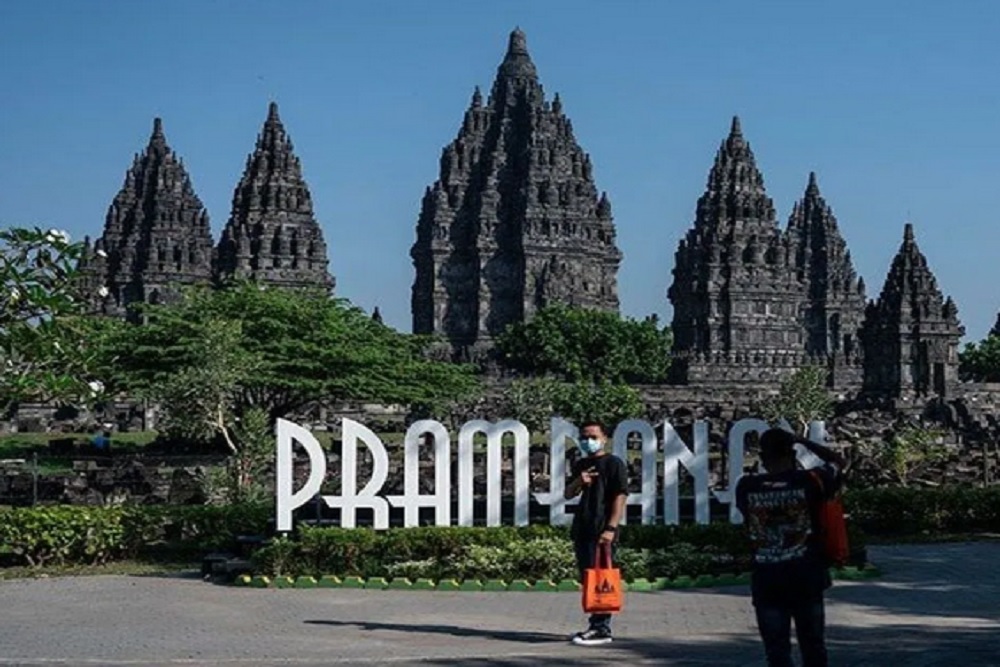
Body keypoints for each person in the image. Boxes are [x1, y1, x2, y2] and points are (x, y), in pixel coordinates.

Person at [735, 428, 847, 667]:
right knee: (813, 645)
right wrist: (804, 440)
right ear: (793, 453)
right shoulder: (811, 481)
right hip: (806, 574)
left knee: (776, 650)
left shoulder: (746, 486)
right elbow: (838, 462)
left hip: (767, 577)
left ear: (762, 457)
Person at [564, 420, 628, 646]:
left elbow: (620, 496)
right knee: (589, 579)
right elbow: (568, 493)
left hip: (602, 529)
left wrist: (611, 528)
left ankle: (601, 628)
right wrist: (579, 481)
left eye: (592, 437)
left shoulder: (613, 463)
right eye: (584, 437)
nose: (587, 441)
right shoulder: (581, 464)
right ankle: (595, 623)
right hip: (583, 527)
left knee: (602, 580)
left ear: (604, 439)